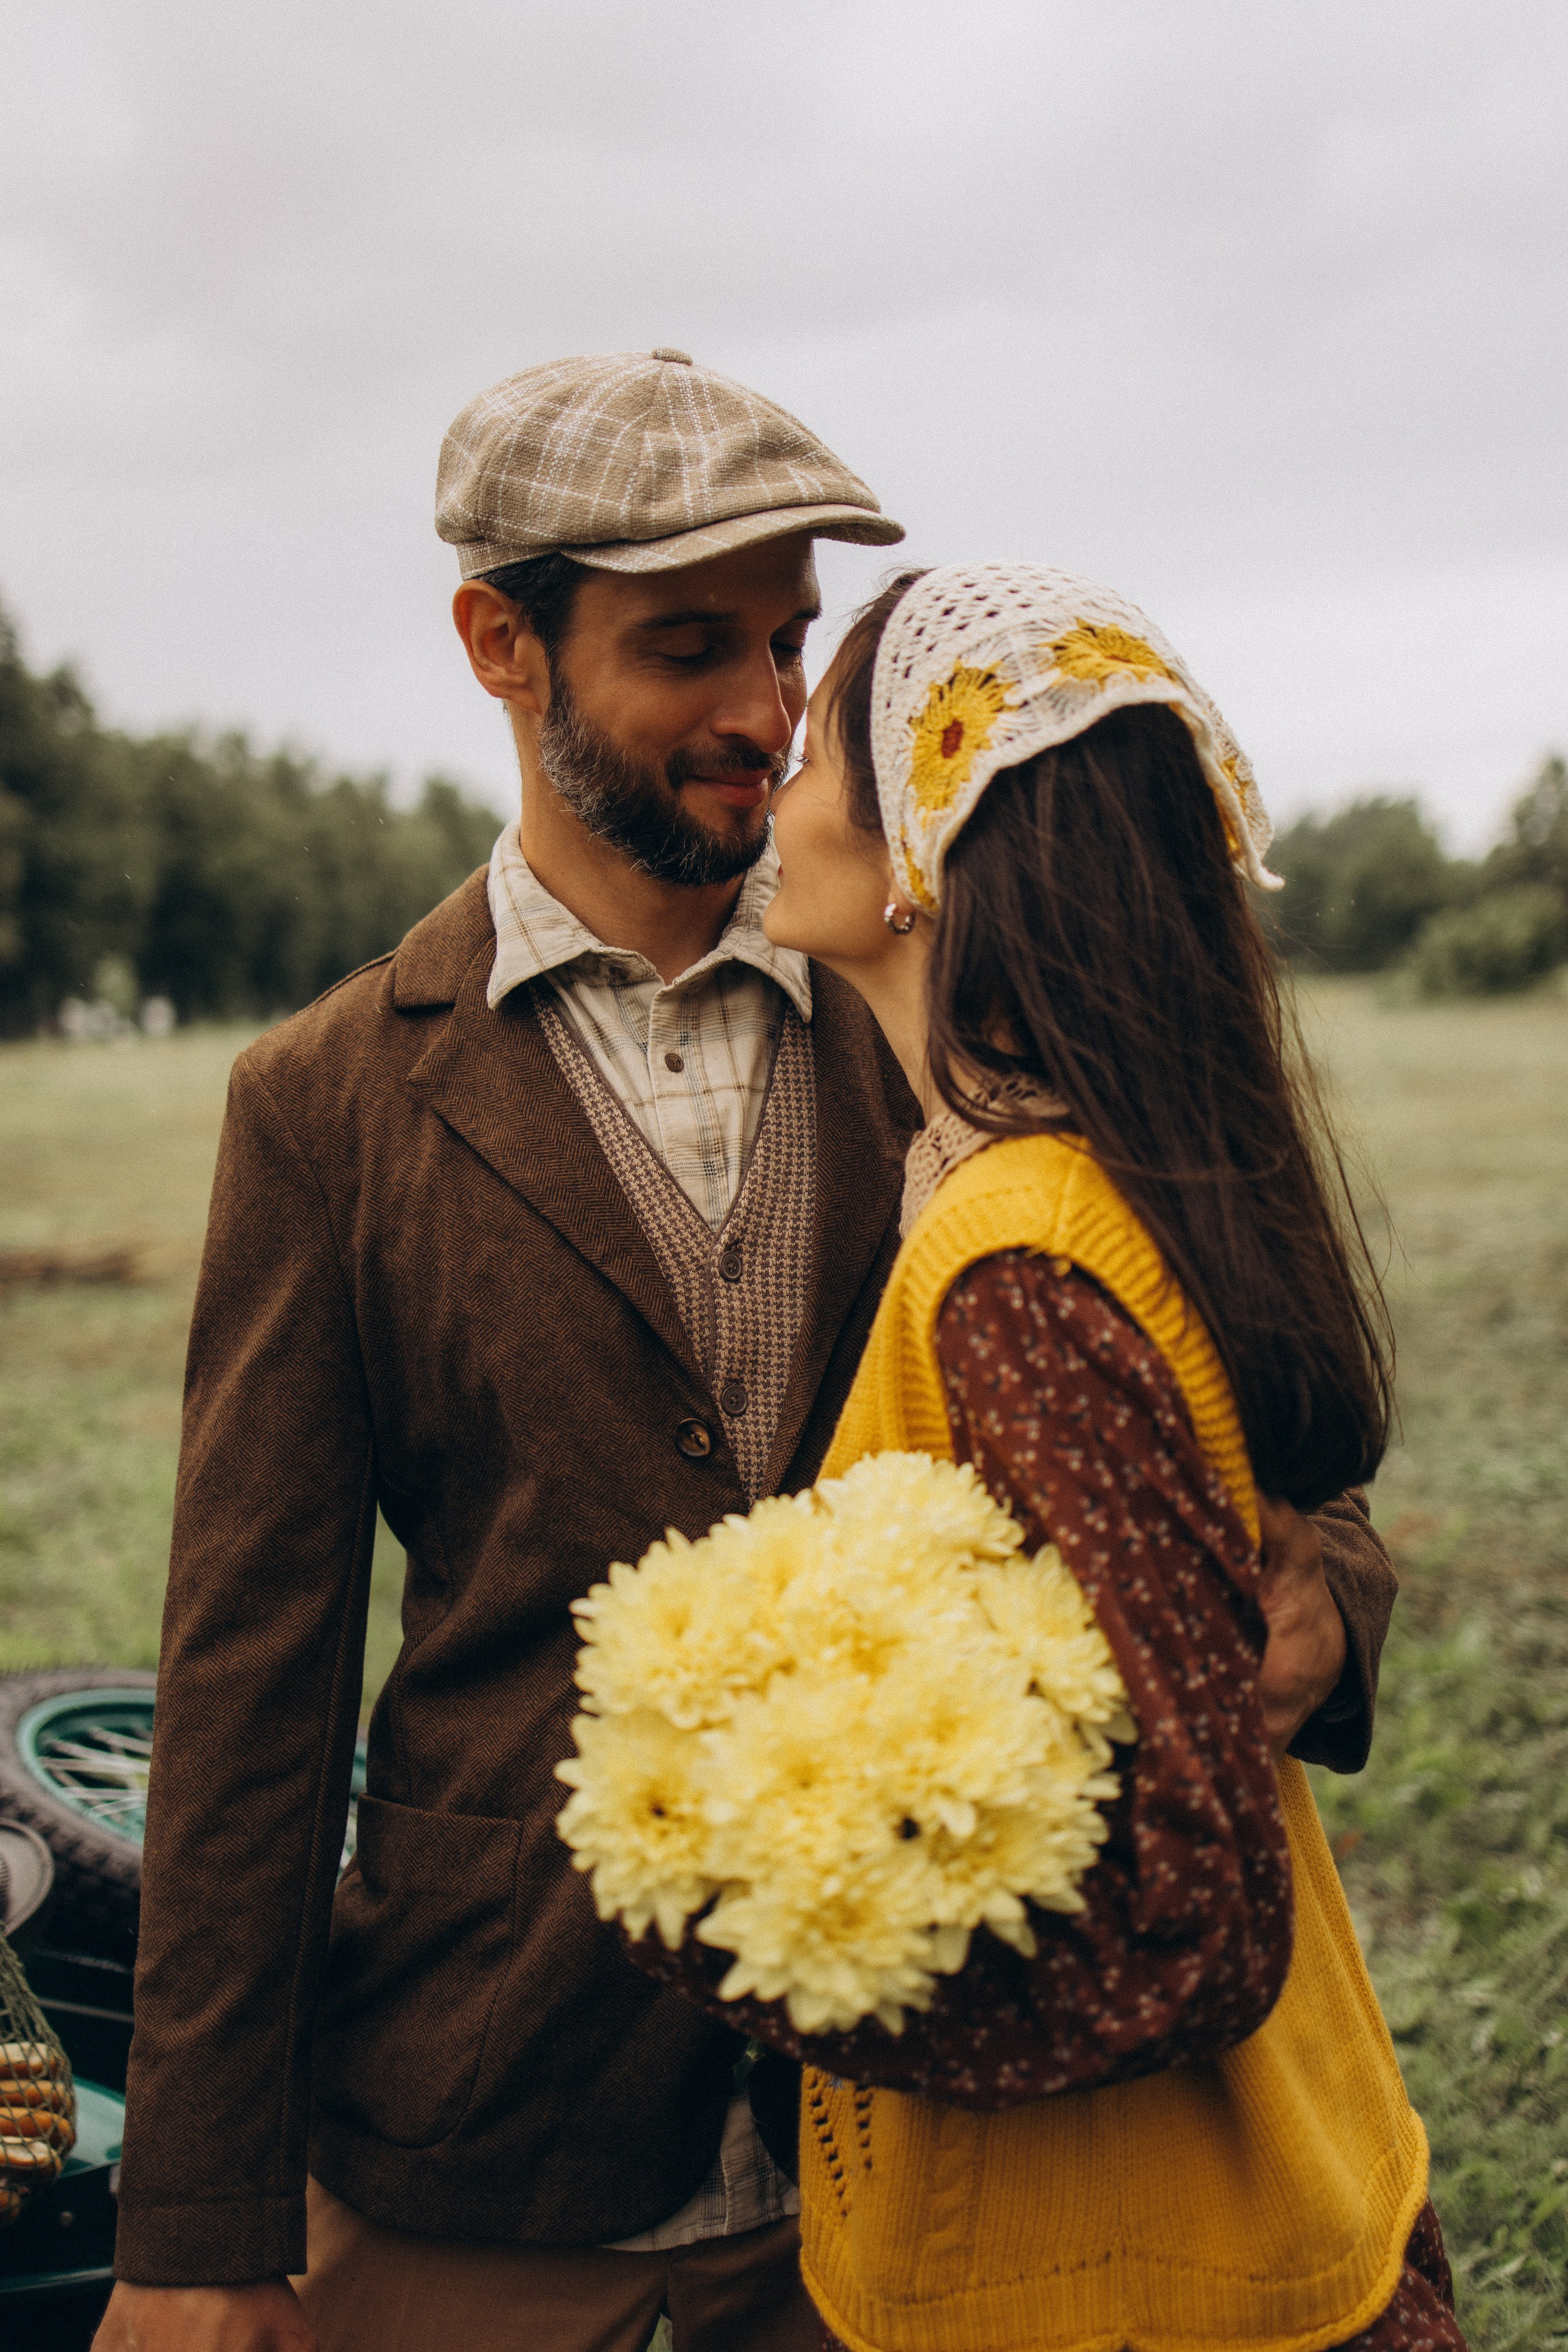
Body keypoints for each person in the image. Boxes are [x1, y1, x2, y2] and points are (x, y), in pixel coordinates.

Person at [94, 362, 1394, 2352]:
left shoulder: (958, 1016)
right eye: (688, 647)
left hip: (941, 2136)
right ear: (500, 644)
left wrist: (1330, 1589)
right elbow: (246, 1681)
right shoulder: (324, 1101)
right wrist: (194, 2228)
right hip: (485, 2120)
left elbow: (1237, 1401)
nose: (768, 707)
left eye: (791, 644)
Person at [633, 564, 1463, 2351]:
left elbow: (1192, 1916)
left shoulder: (1019, 1253)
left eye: (821, 744)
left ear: (924, 838)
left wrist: (766, 1960)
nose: (778, 776)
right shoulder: (1077, 1173)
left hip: (1140, 2277)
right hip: (1234, 2209)